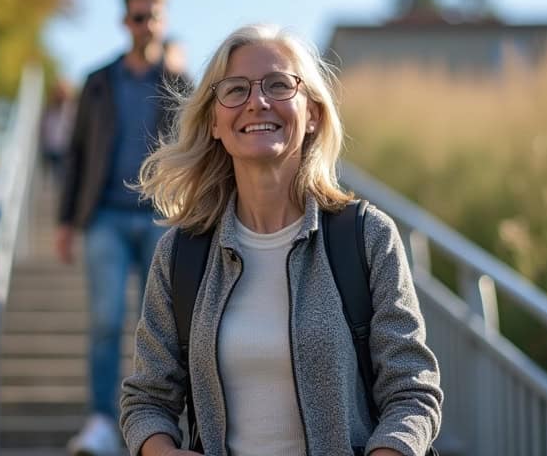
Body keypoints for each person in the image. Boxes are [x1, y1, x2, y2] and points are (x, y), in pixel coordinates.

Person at [121, 24, 443, 455]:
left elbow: (412, 392)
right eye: (235, 89)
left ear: (312, 113)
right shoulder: (181, 254)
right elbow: (146, 401)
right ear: (214, 121)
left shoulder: (366, 236)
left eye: (279, 85)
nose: (257, 102)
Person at [58, 0, 189, 456]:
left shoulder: (180, 82)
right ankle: (100, 422)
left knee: (159, 325)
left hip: (161, 218)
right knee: (104, 320)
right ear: (123, 22)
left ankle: (156, 426)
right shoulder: (98, 81)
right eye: (137, 17)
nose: (145, 25)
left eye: (153, 16)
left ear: (164, 20)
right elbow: (75, 153)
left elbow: (197, 152)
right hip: (105, 216)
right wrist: (65, 221)